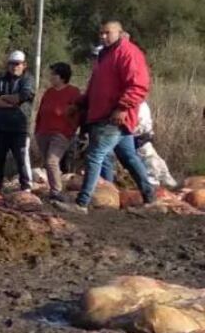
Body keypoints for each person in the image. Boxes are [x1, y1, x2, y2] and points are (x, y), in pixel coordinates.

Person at [55, 20, 156, 213]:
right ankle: (150, 199)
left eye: (107, 33)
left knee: (94, 156)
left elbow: (139, 85)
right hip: (101, 114)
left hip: (112, 117)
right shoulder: (104, 56)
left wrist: (123, 107)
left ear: (120, 33)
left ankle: (81, 203)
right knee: (129, 158)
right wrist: (79, 103)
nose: (103, 36)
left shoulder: (128, 53)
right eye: (101, 33)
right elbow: (95, 88)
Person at [0, 50, 35, 192]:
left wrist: (2, 97)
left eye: (17, 64)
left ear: (24, 65)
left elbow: (23, 96)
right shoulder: (0, 80)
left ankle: (26, 187)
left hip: (19, 128)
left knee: (22, 158)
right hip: (0, 126)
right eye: (12, 63)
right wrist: (9, 103)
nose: (14, 66)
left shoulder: (28, 80)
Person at [33, 62, 80, 199]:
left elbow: (78, 113)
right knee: (49, 163)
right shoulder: (49, 92)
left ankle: (56, 192)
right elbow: (41, 111)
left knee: (51, 161)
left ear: (62, 76)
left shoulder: (73, 92)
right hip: (43, 132)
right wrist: (37, 130)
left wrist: (71, 130)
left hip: (61, 133)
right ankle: (55, 188)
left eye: (53, 74)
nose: (51, 77)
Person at [134, 101, 177, 188]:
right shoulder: (142, 104)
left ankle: (154, 183)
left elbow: (139, 124)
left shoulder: (139, 105)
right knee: (152, 157)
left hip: (140, 137)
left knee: (149, 159)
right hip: (143, 135)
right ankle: (167, 181)